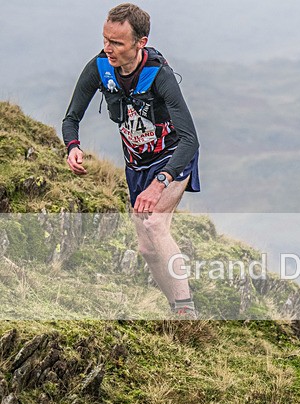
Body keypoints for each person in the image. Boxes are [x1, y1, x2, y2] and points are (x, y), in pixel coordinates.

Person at [62, 3, 200, 318]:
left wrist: (159, 184)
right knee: (147, 248)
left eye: (117, 43)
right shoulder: (99, 68)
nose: (107, 48)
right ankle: (175, 309)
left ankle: (186, 311)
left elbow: (191, 139)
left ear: (141, 42)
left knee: (154, 223)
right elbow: (71, 118)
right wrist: (73, 147)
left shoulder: (159, 75)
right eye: (105, 39)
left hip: (172, 159)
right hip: (136, 164)